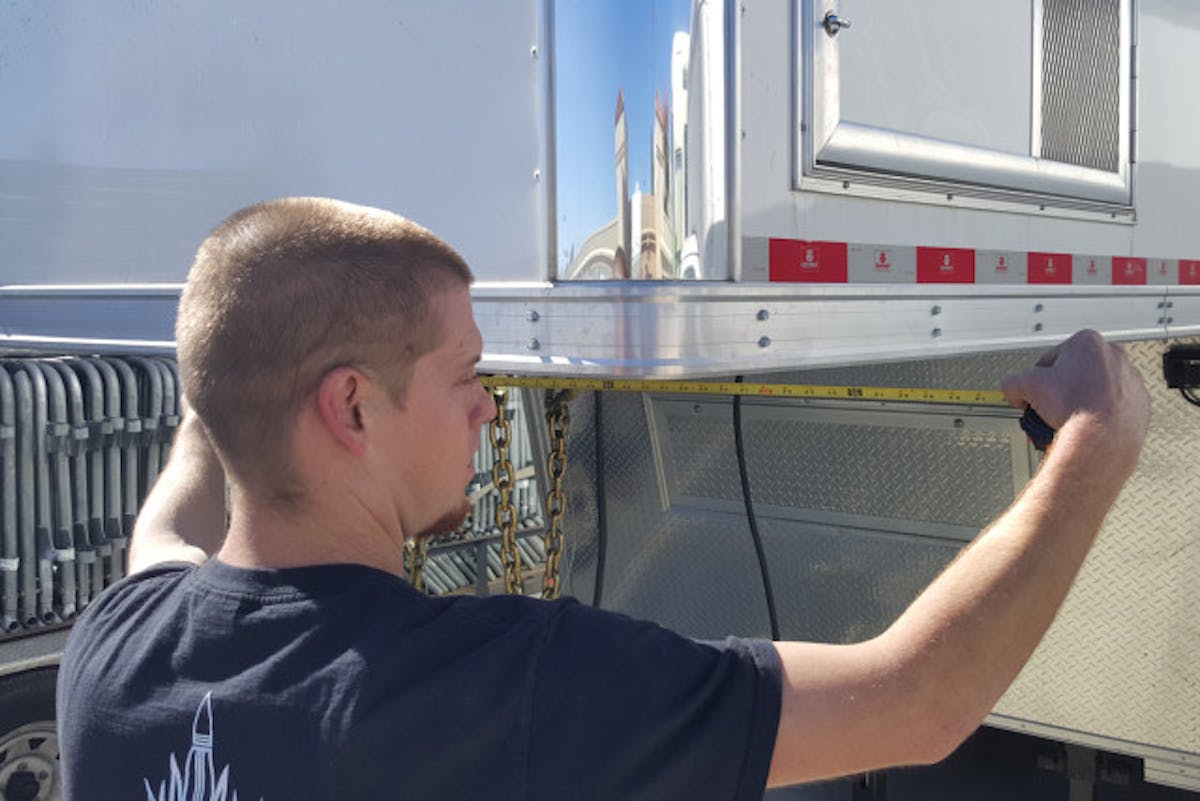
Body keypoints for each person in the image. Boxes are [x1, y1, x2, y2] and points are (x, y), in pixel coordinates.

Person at [57, 197, 1151, 800]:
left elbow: (171, 522)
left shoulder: (112, 653)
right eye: (465, 375)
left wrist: (230, 364)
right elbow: (917, 702)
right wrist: (1095, 446)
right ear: (352, 408)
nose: (491, 406)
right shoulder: (499, 690)